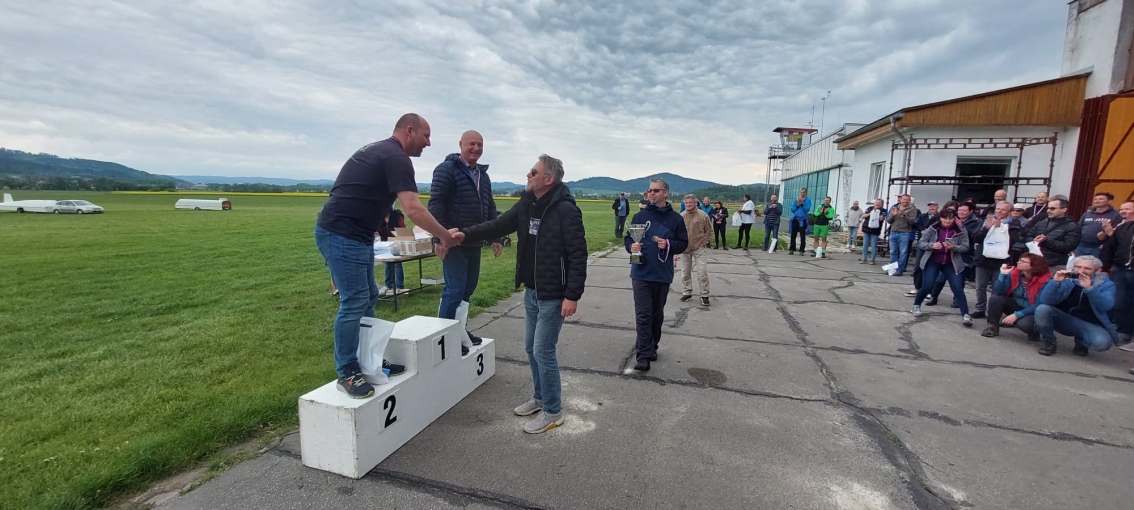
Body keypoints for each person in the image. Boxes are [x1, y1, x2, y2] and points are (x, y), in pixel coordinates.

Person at [315, 113, 459, 399]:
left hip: (353, 234)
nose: (429, 143)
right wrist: (444, 236)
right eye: (426, 136)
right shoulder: (396, 157)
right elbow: (413, 209)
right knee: (354, 301)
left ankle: (368, 362)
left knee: (368, 295)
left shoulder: (381, 150)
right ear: (409, 131)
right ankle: (348, 371)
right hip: (341, 234)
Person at [456, 154, 587, 434]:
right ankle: (541, 398)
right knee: (530, 347)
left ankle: (553, 411)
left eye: (533, 172)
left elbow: (578, 254)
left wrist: (572, 295)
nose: (528, 175)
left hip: (554, 294)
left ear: (548, 179)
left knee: (543, 350)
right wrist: (464, 235)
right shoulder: (528, 202)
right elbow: (499, 225)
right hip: (532, 291)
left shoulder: (565, 210)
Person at [428, 130, 503, 356]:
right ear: (460, 144)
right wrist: (439, 237)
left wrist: (496, 237)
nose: (476, 149)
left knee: (467, 291)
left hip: (474, 242)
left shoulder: (483, 175)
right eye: (472, 144)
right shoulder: (446, 170)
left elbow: (490, 207)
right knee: (454, 291)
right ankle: (446, 338)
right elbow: (436, 203)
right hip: (454, 243)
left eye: (480, 145)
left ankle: (459, 331)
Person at [626, 178, 688, 372]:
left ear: (665, 193)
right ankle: (643, 355)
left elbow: (683, 243)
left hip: (661, 273)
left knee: (656, 314)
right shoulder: (640, 216)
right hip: (640, 271)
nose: (651, 193)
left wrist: (668, 244)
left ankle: (652, 345)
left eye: (655, 190)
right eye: (649, 191)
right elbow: (628, 238)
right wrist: (631, 246)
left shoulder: (676, 219)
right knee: (643, 314)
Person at [1034, 255, 1118, 356]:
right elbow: (1045, 300)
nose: (1081, 271)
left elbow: (1106, 306)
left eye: (1087, 268)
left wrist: (1090, 289)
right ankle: (1049, 342)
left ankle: (1081, 342)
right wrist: (1055, 282)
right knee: (1042, 309)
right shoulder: (1068, 279)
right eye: (1078, 267)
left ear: (1097, 270)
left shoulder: (1106, 284)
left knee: (1102, 343)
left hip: (1087, 323)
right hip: (1063, 318)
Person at [910, 208, 972, 327]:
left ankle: (966, 315)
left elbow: (966, 247)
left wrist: (954, 247)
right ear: (940, 218)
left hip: (951, 263)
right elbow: (921, 243)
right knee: (927, 286)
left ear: (954, 218)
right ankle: (916, 305)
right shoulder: (933, 228)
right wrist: (932, 245)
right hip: (933, 261)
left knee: (958, 288)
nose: (947, 221)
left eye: (950, 218)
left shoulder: (961, 229)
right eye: (945, 218)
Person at [981, 253, 1051, 339]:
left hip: (1033, 310)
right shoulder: (1015, 273)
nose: (1018, 262)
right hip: (1016, 305)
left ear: (1034, 265)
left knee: (1024, 324)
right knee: (995, 298)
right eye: (1019, 260)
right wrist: (1003, 274)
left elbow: (1039, 304)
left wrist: (1016, 315)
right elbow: (998, 292)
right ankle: (993, 327)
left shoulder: (1045, 280)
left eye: (1023, 261)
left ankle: (1034, 331)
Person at [971, 202, 1020, 319]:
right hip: (983, 258)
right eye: (998, 209)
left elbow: (1013, 240)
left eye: (1003, 210)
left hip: (1001, 260)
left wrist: (1000, 229)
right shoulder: (986, 221)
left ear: (1009, 212)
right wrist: (987, 228)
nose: (999, 211)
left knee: (997, 287)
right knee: (980, 286)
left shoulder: (1014, 223)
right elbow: (975, 238)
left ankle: (992, 311)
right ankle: (980, 308)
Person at [1100, 200, 1134, 351]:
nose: (1123, 212)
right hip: (1121, 269)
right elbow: (1109, 248)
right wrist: (1103, 267)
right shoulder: (1122, 227)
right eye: (1122, 209)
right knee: (1120, 302)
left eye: (1127, 209)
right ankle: (1123, 333)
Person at [1022, 197, 1080, 270]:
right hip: (1035, 263)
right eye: (1048, 208)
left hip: (1055, 265)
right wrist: (1034, 240)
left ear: (1064, 209)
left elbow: (1068, 246)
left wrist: (1046, 240)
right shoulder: (1041, 223)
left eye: (1052, 209)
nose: (1048, 211)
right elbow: (1027, 237)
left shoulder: (1072, 226)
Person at [679, 194, 713, 306]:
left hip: (699, 248)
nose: (688, 205)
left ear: (695, 203)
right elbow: (677, 232)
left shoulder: (703, 215)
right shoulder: (681, 216)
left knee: (702, 272)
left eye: (690, 202)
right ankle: (687, 292)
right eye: (686, 203)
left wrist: (704, 242)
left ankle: (704, 295)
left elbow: (709, 230)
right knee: (685, 272)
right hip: (685, 249)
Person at [1076, 192, 1120, 258]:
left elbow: (1116, 231)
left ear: (1109, 201)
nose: (1097, 201)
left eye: (1101, 199)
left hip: (1100, 248)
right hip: (1081, 247)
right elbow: (1078, 228)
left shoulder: (1116, 215)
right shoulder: (1087, 214)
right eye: (1095, 199)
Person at [376, 209, 407, 297]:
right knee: (388, 264)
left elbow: (402, 230)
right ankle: (388, 285)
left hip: (397, 243)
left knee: (397, 264)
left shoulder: (397, 216)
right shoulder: (379, 218)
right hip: (385, 244)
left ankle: (399, 285)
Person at [886, 194, 918, 276]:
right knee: (893, 252)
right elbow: (888, 221)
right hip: (893, 232)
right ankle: (892, 269)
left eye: (907, 200)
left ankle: (900, 270)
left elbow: (912, 221)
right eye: (904, 199)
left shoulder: (913, 209)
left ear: (909, 201)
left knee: (903, 253)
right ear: (901, 200)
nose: (905, 201)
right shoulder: (895, 207)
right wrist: (893, 215)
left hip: (904, 233)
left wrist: (904, 215)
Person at [859, 198, 886, 264]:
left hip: (875, 230)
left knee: (873, 245)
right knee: (865, 245)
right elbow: (863, 216)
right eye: (877, 202)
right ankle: (864, 258)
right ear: (874, 203)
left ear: (882, 204)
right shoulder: (870, 208)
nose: (878, 204)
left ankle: (872, 259)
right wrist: (870, 213)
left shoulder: (883, 210)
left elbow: (881, 219)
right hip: (867, 229)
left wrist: (877, 213)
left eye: (880, 203)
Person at [789, 188, 812, 255]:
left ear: (806, 193)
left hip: (803, 220)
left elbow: (807, 210)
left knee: (802, 235)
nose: (802, 193)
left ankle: (802, 250)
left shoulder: (808, 200)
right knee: (793, 235)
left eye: (803, 192)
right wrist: (797, 205)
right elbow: (792, 210)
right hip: (795, 219)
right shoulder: (796, 200)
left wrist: (802, 204)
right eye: (801, 192)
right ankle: (792, 249)